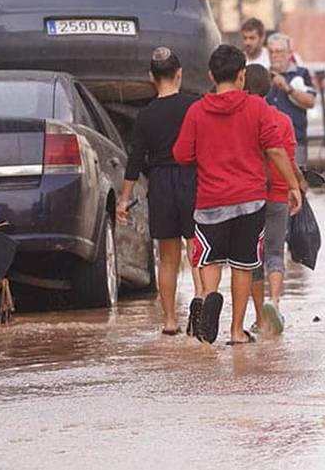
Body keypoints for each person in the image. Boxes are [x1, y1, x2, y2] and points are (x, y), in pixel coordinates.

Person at [172, 45, 302, 346]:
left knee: (210, 260)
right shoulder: (257, 109)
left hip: (210, 200)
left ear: (211, 76)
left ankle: (209, 296)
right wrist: (293, 184)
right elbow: (275, 149)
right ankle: (236, 331)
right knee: (244, 265)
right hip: (250, 200)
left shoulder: (196, 111)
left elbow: (181, 154)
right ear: (242, 75)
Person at [117, 47, 202, 336]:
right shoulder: (195, 106)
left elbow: (135, 160)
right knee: (196, 250)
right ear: (179, 74)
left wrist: (124, 199)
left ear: (151, 77)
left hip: (161, 183)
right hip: (191, 179)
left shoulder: (146, 115)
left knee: (167, 257)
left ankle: (169, 321)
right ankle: (201, 307)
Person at [244, 64, 300, 336]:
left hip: (249, 196)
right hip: (279, 193)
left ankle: (259, 317)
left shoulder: (240, 117)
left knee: (253, 258)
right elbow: (288, 157)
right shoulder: (282, 119)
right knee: (276, 253)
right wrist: (296, 185)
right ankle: (274, 302)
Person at [265, 33, 316, 167]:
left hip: (295, 140)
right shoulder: (263, 75)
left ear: (289, 53)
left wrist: (288, 89)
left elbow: (310, 101)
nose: (274, 55)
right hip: (268, 142)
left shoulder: (301, 73)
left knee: (297, 182)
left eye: (279, 51)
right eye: (271, 52)